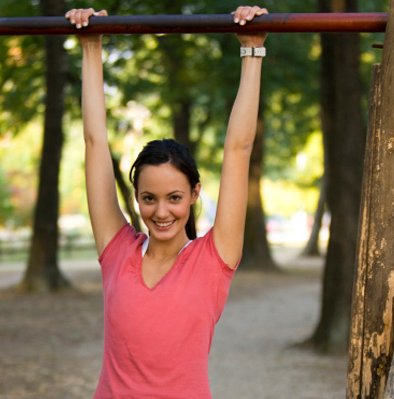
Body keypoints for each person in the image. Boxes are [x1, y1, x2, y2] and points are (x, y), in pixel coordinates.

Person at [65, 5, 268, 398]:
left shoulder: (213, 260)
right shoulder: (117, 251)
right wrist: (91, 46)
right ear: (137, 199)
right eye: (149, 198)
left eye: (174, 198)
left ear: (194, 194)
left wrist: (252, 51)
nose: (161, 212)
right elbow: (94, 143)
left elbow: (238, 149)